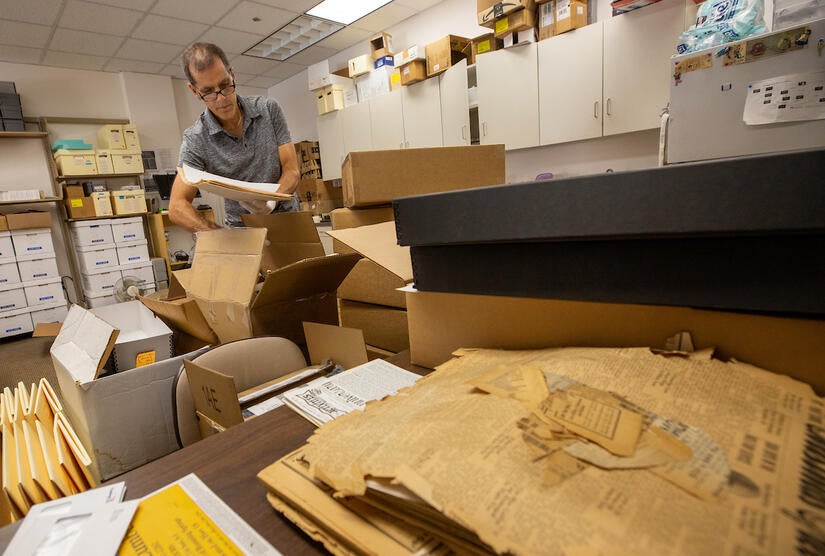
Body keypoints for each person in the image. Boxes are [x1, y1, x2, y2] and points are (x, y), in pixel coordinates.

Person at [169, 42, 300, 232]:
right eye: (208, 92)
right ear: (194, 91)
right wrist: (222, 237)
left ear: (232, 74)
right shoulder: (196, 139)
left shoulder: (268, 109)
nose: (221, 99)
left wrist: (271, 202)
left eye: (224, 85)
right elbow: (176, 207)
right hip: (242, 229)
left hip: (289, 219)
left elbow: (292, 170)